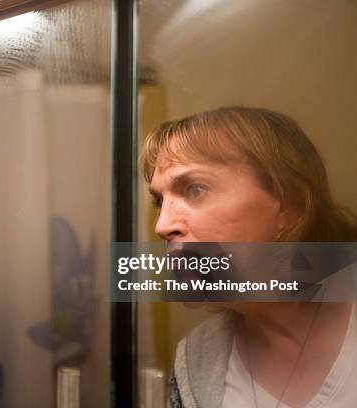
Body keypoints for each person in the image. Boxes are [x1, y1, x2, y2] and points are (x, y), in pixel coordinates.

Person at [140, 106, 357, 408]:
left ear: (289, 207)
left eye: (195, 190)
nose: (162, 226)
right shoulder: (195, 362)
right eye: (159, 201)